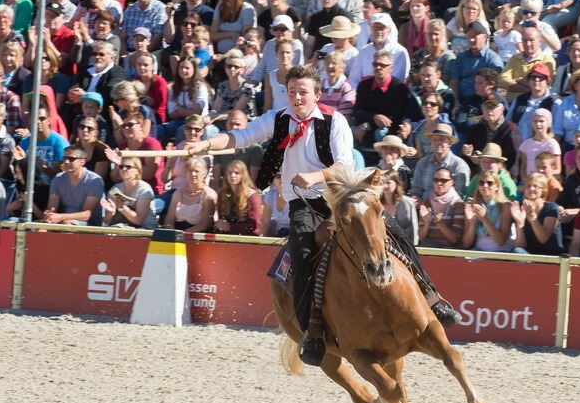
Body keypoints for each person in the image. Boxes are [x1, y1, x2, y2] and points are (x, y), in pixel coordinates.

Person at [184, 65, 458, 365]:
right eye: (292, 92)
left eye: (303, 92)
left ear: (316, 94)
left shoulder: (334, 120)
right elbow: (240, 137)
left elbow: (344, 166)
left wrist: (314, 177)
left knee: (393, 230)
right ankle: (312, 331)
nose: (297, 97)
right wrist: (205, 145)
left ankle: (432, 296)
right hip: (302, 204)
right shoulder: (277, 119)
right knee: (302, 253)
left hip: (338, 197)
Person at [461, 168, 514, 252]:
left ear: (497, 186)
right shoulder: (473, 206)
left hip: (501, 251)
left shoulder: (505, 206)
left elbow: (501, 241)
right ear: (478, 187)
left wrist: (484, 219)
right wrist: (472, 224)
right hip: (479, 251)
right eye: (481, 183)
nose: (485, 186)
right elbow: (466, 244)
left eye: (489, 183)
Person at [510, 172, 562, 256]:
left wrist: (532, 217)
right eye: (528, 186)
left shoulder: (551, 208)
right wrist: (520, 223)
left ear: (543, 189)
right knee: (516, 251)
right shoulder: (521, 208)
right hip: (529, 255)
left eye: (535, 186)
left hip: (549, 256)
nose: (531, 188)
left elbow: (543, 239)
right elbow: (520, 246)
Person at [417, 167, 465, 249]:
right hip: (428, 248)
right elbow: (421, 238)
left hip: (448, 250)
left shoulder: (458, 204)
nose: (439, 183)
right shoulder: (427, 203)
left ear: (451, 182)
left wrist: (440, 223)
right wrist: (427, 223)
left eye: (443, 180)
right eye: (436, 180)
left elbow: (455, 239)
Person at [213, 159, 262, 235]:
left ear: (243, 175)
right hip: (227, 235)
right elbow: (222, 217)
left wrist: (230, 227)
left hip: (248, 237)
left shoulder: (252, 196)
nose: (233, 175)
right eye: (230, 173)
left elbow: (254, 225)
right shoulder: (222, 194)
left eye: (237, 173)